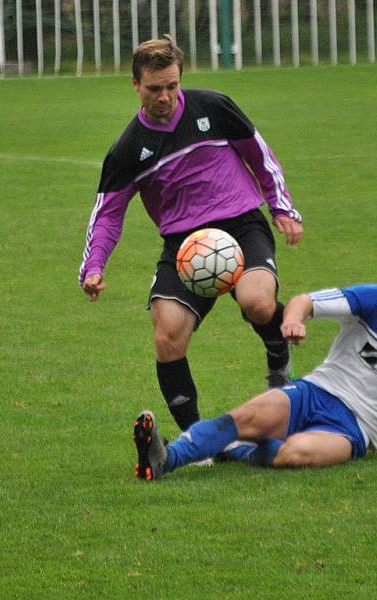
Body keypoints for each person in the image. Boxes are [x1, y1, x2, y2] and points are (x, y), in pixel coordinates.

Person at [133, 245, 377, 481]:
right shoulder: (376, 300)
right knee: (244, 418)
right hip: (314, 392)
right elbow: (305, 300)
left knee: (294, 453)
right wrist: (293, 319)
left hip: (354, 428)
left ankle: (231, 450)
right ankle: (166, 458)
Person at [79, 36, 303, 432]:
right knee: (167, 336)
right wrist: (94, 266)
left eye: (171, 86)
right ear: (135, 85)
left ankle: (278, 362)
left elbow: (259, 155)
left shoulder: (213, 107)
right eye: (153, 89)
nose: (164, 96)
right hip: (184, 245)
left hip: (241, 224)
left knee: (258, 303)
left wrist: (281, 206)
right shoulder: (128, 149)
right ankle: (195, 439)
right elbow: (108, 215)